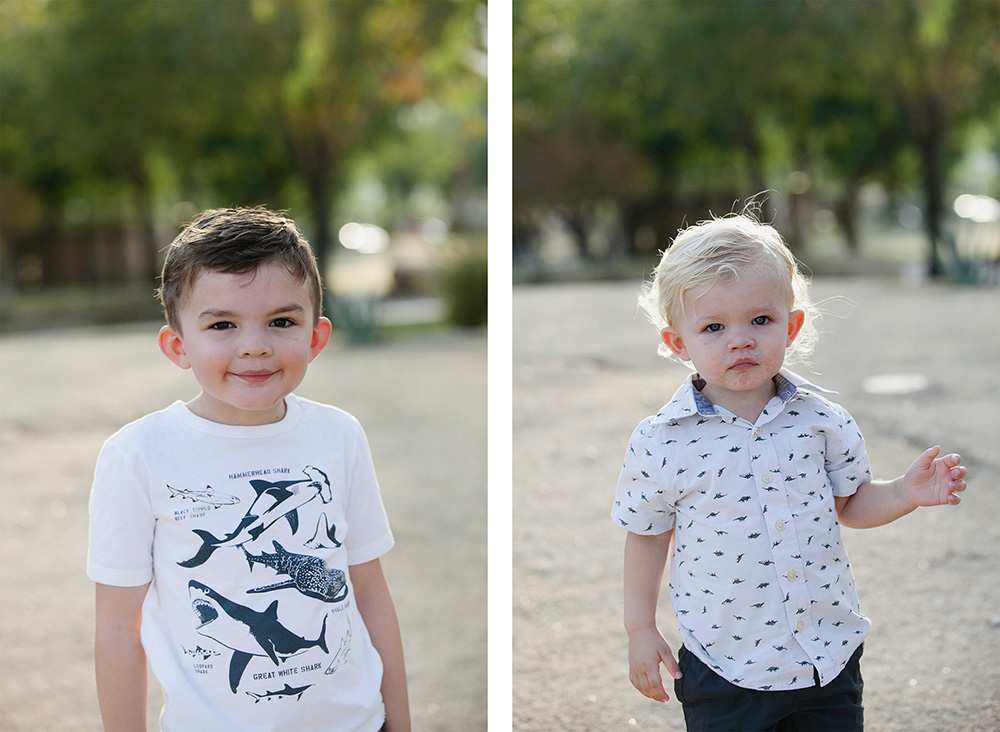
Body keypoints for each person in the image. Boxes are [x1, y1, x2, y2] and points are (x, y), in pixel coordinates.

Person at [611, 212, 968, 732]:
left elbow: (850, 504)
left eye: (760, 320)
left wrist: (903, 493)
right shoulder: (662, 441)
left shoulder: (822, 420)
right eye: (714, 327)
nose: (740, 340)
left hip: (827, 657)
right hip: (724, 668)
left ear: (791, 325)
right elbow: (645, 536)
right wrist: (639, 627)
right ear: (678, 344)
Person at [89, 207, 409, 732]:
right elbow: (119, 629)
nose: (254, 345)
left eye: (281, 322)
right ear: (178, 345)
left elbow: (370, 593)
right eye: (222, 325)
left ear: (316, 336)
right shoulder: (137, 455)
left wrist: (400, 722)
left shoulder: (340, 435)